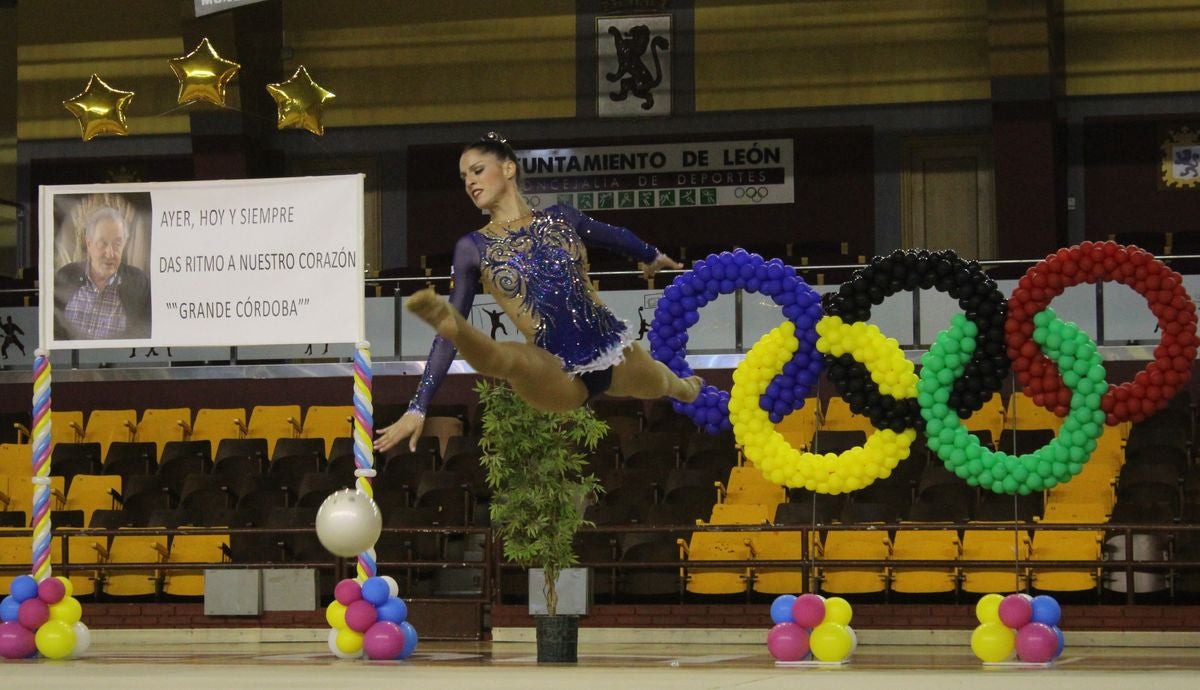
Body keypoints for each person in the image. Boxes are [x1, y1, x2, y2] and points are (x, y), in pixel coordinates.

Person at [375, 132, 701, 453]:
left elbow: (614, 236)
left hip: (612, 347)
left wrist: (650, 255)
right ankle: (455, 327)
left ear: (508, 169)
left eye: (477, 170)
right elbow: (442, 342)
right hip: (554, 368)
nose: (469, 183)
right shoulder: (472, 247)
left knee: (665, 383)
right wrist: (418, 406)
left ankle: (687, 388)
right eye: (463, 178)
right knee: (512, 360)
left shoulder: (561, 217)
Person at [53, 205, 151, 340]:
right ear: (89, 244)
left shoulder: (139, 284)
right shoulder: (65, 277)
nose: (110, 253)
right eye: (102, 243)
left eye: (117, 244)